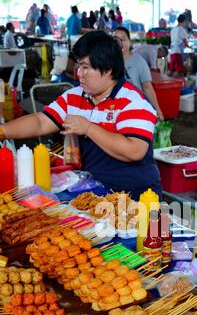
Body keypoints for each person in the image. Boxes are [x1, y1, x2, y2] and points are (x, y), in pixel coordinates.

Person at [0, 31, 162, 201]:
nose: (79, 73)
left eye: (86, 67)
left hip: (134, 196)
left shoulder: (133, 101)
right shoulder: (75, 96)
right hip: (92, 190)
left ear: (108, 70)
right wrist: (3, 130)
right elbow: (41, 122)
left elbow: (134, 150)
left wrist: (89, 128)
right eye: (78, 66)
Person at [114, 27, 163, 121]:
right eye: (115, 39)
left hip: (134, 110)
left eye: (123, 39)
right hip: (113, 111)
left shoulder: (139, 61)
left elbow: (147, 87)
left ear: (129, 42)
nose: (119, 42)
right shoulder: (107, 62)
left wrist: (157, 110)